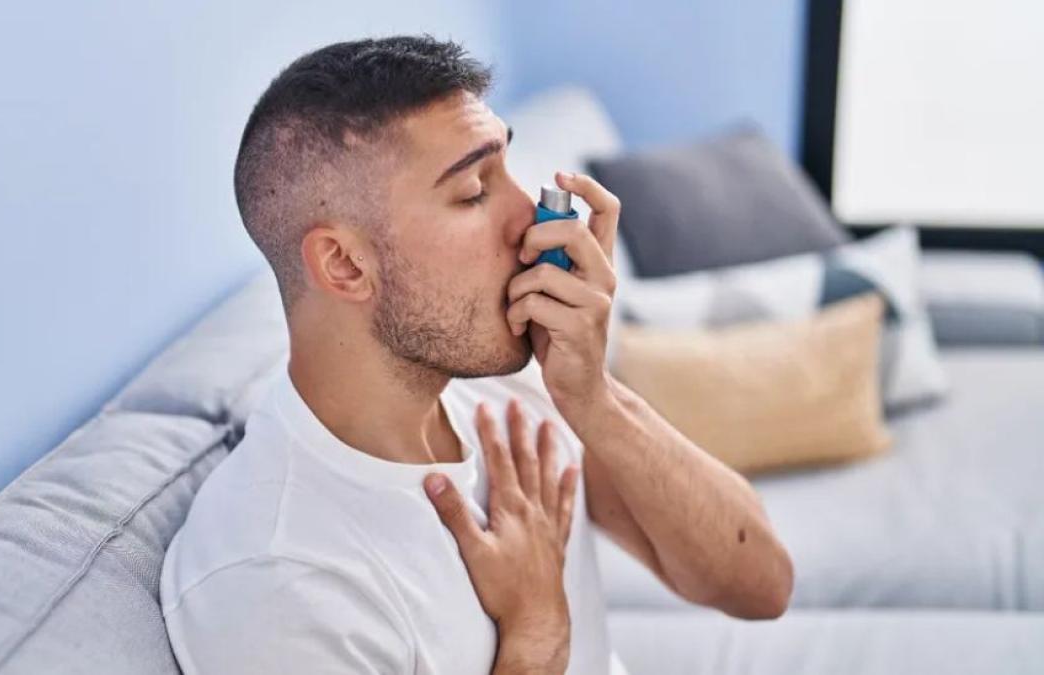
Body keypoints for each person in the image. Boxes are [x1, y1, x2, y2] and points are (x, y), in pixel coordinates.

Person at [159, 34, 794, 674]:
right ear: (345, 265)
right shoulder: (277, 585)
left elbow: (760, 585)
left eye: (509, 171)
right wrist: (535, 634)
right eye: (472, 192)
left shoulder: (503, 393)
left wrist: (594, 397)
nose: (531, 219)